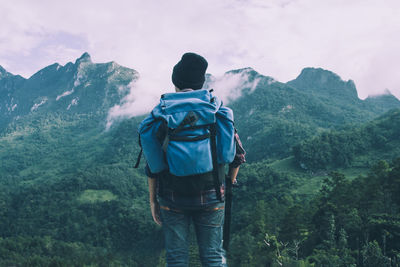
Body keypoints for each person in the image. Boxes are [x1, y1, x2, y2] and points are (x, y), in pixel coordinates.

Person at [139, 52, 245, 267]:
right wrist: (229, 183)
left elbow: (153, 166)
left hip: (171, 198)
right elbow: (238, 156)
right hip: (213, 195)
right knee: (213, 257)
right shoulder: (216, 111)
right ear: (201, 83)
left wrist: (152, 201)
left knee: (177, 259)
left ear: (175, 81)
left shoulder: (162, 114)